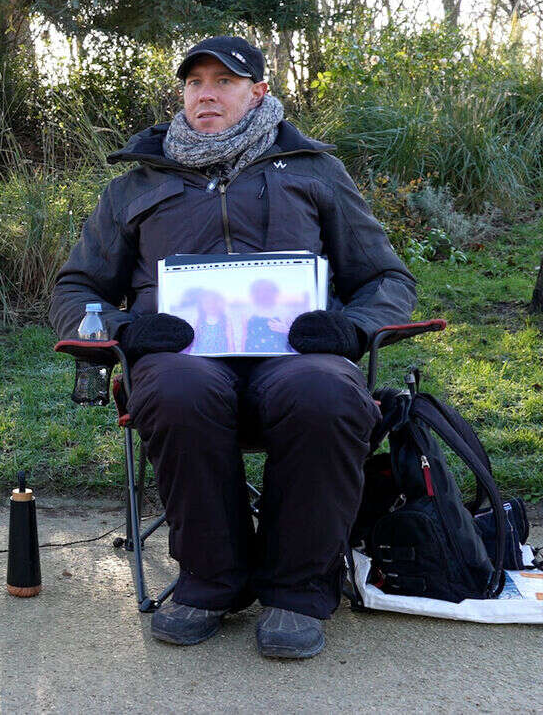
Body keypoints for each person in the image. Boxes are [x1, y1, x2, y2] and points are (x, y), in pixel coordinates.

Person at [50, 36, 415, 659]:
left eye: (224, 81)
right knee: (175, 389)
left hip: (298, 354)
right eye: (195, 82)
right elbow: (77, 287)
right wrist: (125, 330)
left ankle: (297, 592)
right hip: (182, 357)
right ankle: (211, 581)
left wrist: (351, 328)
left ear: (259, 93)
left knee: (325, 390)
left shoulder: (314, 171)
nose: (207, 93)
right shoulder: (135, 186)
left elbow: (387, 278)